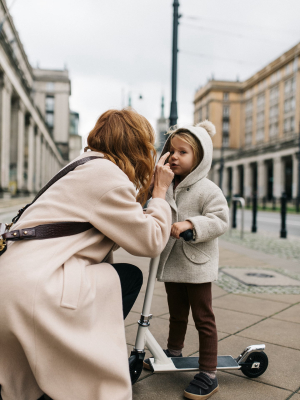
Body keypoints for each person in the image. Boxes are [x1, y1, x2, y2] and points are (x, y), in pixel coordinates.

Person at [0, 109, 174, 400]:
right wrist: (160, 193)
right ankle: (81, 353)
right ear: (137, 146)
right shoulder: (109, 177)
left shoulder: (81, 165)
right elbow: (151, 239)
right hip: (34, 290)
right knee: (127, 278)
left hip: (13, 280)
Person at [144, 120, 229, 399]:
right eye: (172, 151)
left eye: (184, 152)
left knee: (204, 318)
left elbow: (219, 220)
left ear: (199, 158)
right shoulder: (166, 185)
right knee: (176, 313)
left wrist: (192, 224)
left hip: (197, 265)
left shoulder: (209, 190)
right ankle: (174, 351)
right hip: (172, 262)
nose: (176, 156)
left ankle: (208, 372)